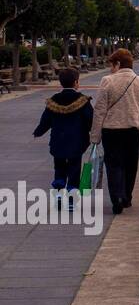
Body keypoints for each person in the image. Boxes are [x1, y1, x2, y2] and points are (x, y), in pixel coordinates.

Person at [90, 49, 139, 215]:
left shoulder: (107, 81)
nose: (110, 69)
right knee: (130, 163)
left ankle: (116, 198)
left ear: (118, 64)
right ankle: (127, 196)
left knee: (113, 164)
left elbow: (99, 110)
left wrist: (95, 136)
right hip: (134, 131)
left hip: (111, 130)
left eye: (111, 65)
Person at [33, 67, 94, 209]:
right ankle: (72, 199)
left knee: (59, 168)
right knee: (74, 168)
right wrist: (95, 133)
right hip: (77, 142)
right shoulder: (83, 101)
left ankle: (59, 195)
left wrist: (38, 132)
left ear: (61, 83)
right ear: (76, 83)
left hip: (58, 141)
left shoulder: (53, 101)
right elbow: (90, 119)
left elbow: (45, 120)